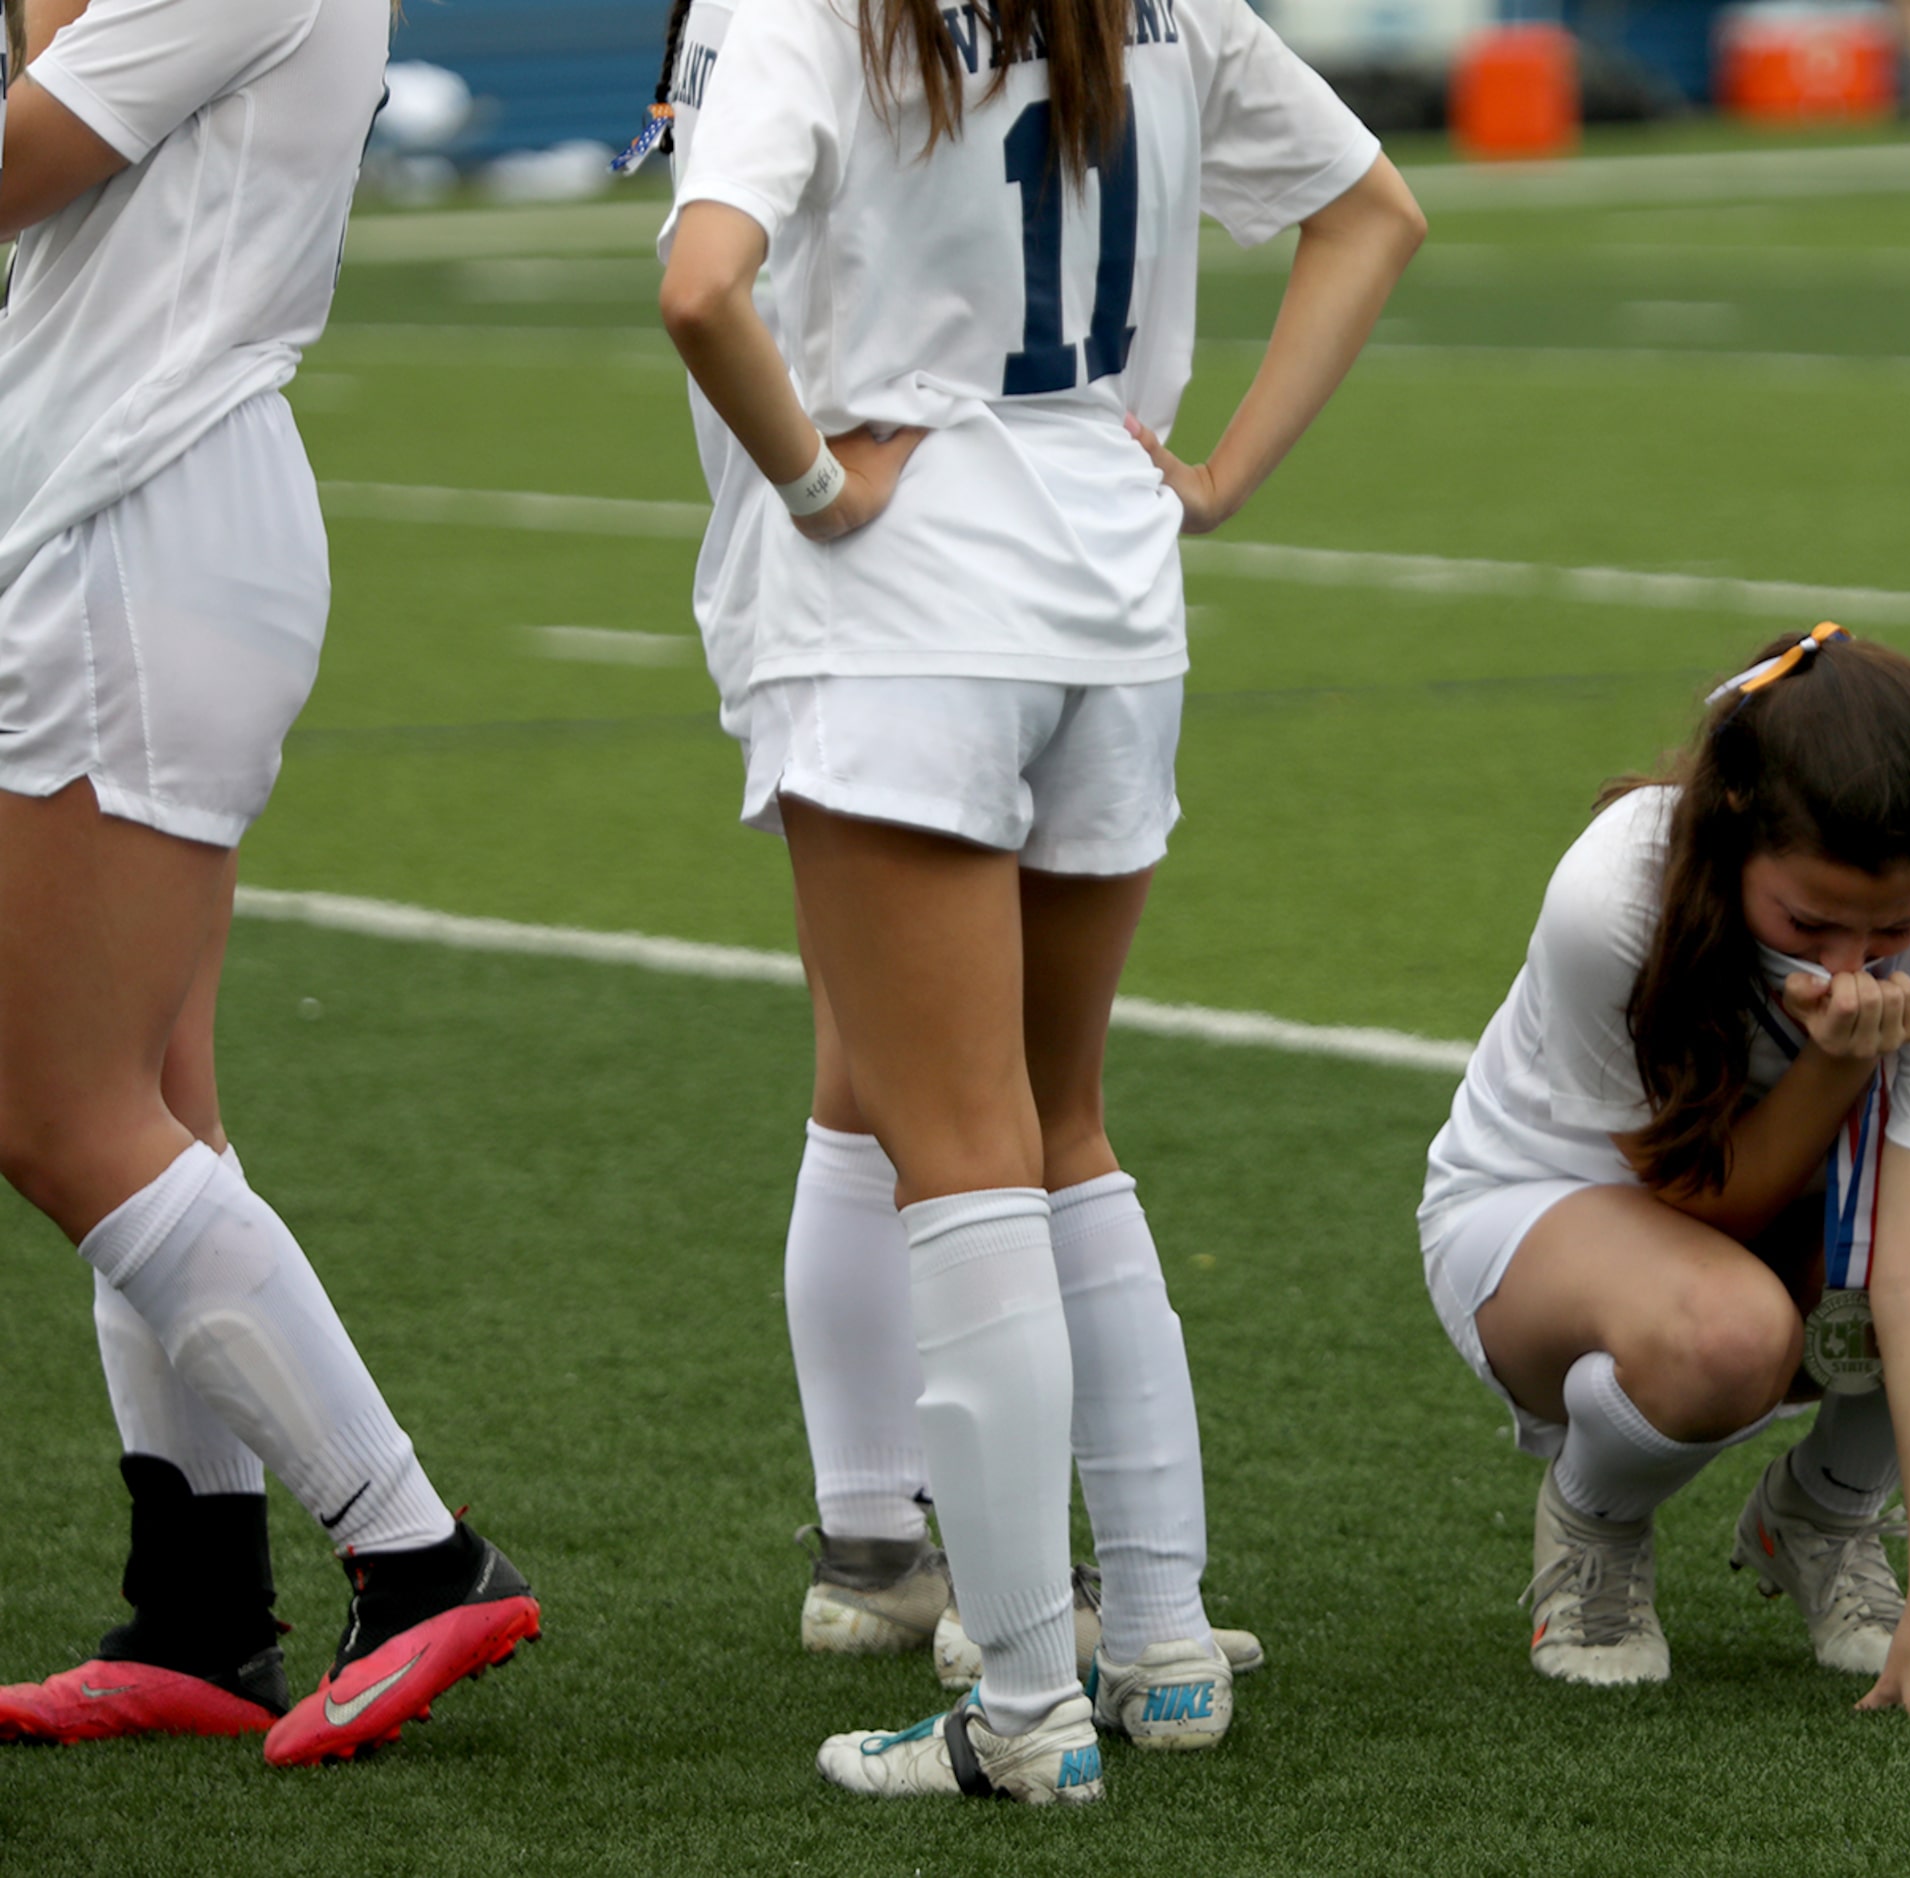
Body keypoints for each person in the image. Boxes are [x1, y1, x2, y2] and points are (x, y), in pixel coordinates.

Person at [657, 0, 1422, 1801]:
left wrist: (813, 484)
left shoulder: (807, 12)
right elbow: (1375, 211)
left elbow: (703, 287)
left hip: (914, 603)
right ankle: (1159, 1645)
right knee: (1065, 1123)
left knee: (958, 1148)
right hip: (1112, 590)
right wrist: (1218, 473)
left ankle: (1020, 1702)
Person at [0, 0, 540, 1764]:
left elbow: (21, 157)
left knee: (59, 1108)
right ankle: (199, 1608)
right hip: (127, 517)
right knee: (151, 1099)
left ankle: (414, 1549)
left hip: (133, 525)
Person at [1419, 627, 1910, 1725]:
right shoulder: (1613, 894)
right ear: (1732, 829)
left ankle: (1823, 1511)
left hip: (1786, 1207)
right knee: (1725, 1331)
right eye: (1809, 922)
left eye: (1893, 927)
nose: (1850, 962)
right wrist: (1835, 1066)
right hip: (1545, 1220)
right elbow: (1696, 1198)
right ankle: (1592, 1523)